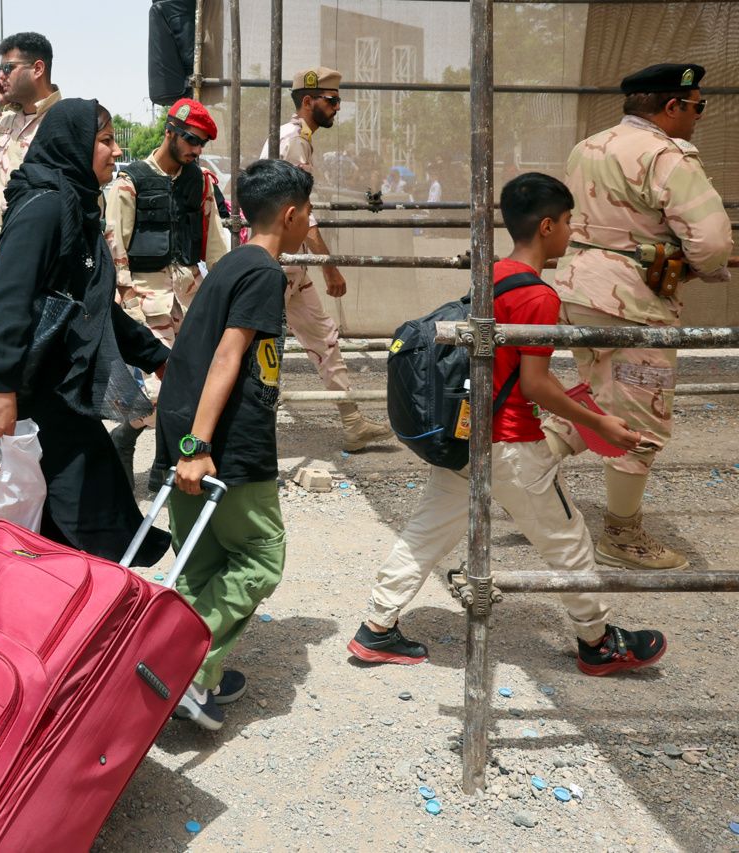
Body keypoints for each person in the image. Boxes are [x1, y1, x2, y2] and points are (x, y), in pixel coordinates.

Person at [348, 172, 668, 678]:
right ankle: (599, 642)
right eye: (567, 223)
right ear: (546, 226)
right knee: (567, 538)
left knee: (427, 531)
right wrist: (600, 423)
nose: (570, 232)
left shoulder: (491, 275)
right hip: (512, 443)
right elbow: (536, 384)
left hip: (468, 435)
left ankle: (376, 626)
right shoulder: (538, 296)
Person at [0, 99, 171, 566]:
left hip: (58, 392)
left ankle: (55, 615)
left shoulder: (77, 206)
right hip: (23, 395)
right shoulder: (45, 208)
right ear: (75, 146)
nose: (116, 150)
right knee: (44, 518)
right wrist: (0, 388)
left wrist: (155, 355)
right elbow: (7, 298)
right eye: (105, 141)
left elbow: (90, 308)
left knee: (69, 519)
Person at [543, 62, 732, 571]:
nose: (698, 118)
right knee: (640, 412)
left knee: (600, 393)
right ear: (672, 106)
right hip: (632, 303)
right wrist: (703, 266)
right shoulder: (667, 156)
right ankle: (621, 537)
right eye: (697, 107)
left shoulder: (588, 147)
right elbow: (712, 243)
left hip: (581, 290)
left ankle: (524, 472)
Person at [153, 159, 307, 729]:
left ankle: (191, 670)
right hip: (223, 441)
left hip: (187, 428)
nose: (307, 222)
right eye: (307, 213)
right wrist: (197, 445)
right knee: (262, 557)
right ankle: (179, 672)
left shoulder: (230, 265)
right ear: (290, 214)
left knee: (201, 562)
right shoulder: (264, 272)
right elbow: (227, 356)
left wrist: (186, 439)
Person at [260, 67, 392, 452]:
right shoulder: (293, 141)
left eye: (338, 101)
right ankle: (243, 426)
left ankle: (352, 422)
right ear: (308, 102)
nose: (337, 108)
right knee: (261, 346)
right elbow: (301, 213)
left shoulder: (296, 140)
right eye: (331, 101)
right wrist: (329, 267)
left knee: (323, 336)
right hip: (280, 263)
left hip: (291, 263)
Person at [104, 98, 230, 486]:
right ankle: (125, 436)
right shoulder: (130, 182)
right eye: (191, 140)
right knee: (161, 389)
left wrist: (227, 293)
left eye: (202, 143)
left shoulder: (202, 182)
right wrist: (130, 308)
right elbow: (115, 248)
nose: (196, 150)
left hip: (191, 295)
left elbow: (216, 247)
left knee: (195, 385)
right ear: (170, 132)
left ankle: (165, 465)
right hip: (145, 296)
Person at [0, 31, 62, 222]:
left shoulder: (66, 121)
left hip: (39, 240)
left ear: (38, 69)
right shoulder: (2, 121)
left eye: (7, 68)